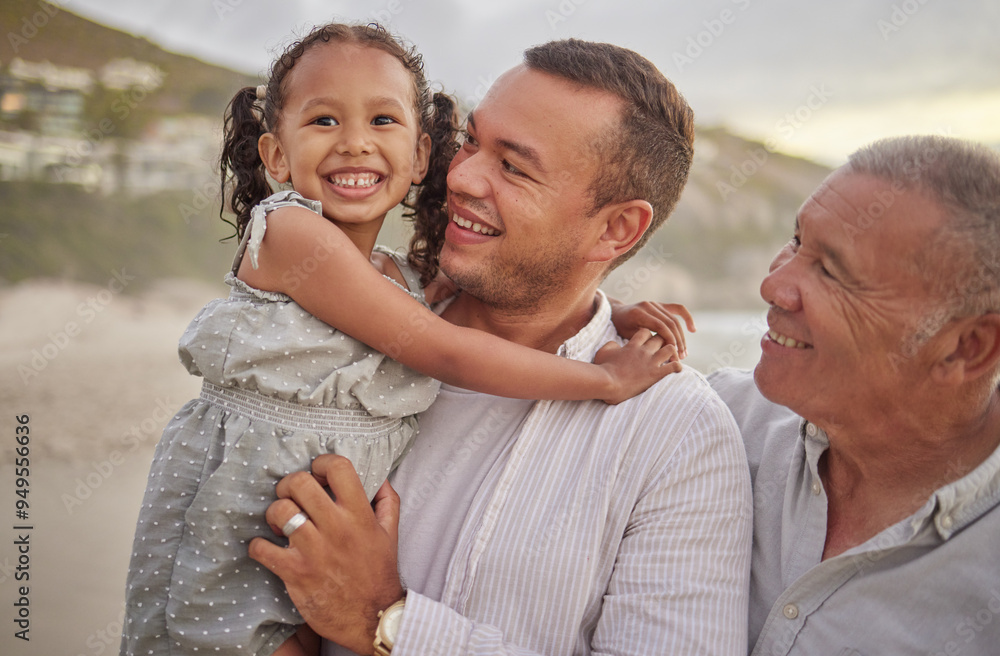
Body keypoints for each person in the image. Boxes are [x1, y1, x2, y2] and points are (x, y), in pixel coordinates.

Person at [118, 24, 685, 656]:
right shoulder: (289, 232)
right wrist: (605, 380)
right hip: (246, 509)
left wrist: (609, 313)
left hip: (310, 518)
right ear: (276, 157)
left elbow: (498, 296)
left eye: (382, 119)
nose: (355, 143)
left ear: (418, 155)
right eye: (324, 121)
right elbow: (441, 350)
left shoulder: (399, 276)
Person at [249, 39, 753, 656]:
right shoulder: (352, 325)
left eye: (514, 167)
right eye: (470, 141)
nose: (459, 177)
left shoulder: (675, 434)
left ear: (616, 229)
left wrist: (386, 620)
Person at [708, 135, 1000, 654]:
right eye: (796, 242)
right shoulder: (710, 422)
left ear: (967, 347)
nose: (774, 286)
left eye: (832, 272)